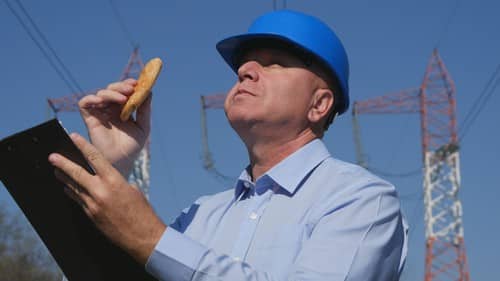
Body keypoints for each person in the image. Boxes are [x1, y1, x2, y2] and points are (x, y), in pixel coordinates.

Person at [50, 9, 408, 281]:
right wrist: (111, 167)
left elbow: (152, 245)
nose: (245, 71)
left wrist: (152, 240)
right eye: (244, 65)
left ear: (319, 105)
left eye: (274, 63)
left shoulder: (363, 200)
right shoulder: (198, 216)